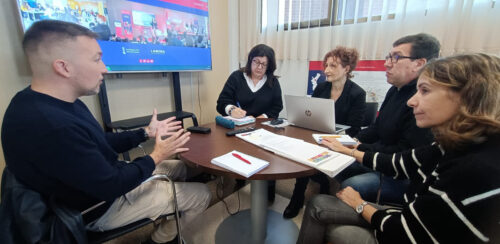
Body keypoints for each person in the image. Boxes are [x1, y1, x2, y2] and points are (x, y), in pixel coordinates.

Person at [0, 20, 211, 244]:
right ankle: (158, 240)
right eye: (96, 59)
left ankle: (165, 208)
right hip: (100, 206)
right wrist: (157, 155)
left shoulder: (44, 101)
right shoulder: (52, 127)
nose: (105, 68)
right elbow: (113, 185)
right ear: (63, 67)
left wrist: (145, 132)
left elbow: (98, 143)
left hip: (103, 182)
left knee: (181, 167)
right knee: (202, 195)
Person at [297, 53, 500, 244]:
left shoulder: (474, 170)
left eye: (425, 91)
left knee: (333, 205)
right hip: (409, 213)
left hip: (402, 230)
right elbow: (401, 161)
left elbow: (403, 232)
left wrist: (360, 204)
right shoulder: (453, 145)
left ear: (469, 97)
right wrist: (348, 149)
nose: (412, 101)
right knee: (324, 194)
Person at [335, 33, 440, 205]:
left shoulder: (423, 103)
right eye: (388, 57)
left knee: (351, 184)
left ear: (419, 63)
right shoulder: (394, 90)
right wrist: (352, 140)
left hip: (401, 173)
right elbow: (377, 128)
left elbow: (403, 152)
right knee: (337, 161)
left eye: (396, 57)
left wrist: (359, 147)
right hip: (380, 156)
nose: (386, 63)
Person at [283, 46, 367, 218]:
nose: (326, 70)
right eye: (326, 65)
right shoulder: (321, 88)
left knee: (307, 154)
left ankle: (297, 197)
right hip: (317, 135)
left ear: (347, 69)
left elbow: (355, 128)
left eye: (333, 66)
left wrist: (333, 137)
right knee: (303, 149)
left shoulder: (357, 93)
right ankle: (310, 188)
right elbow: (311, 114)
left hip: (340, 140)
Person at [216, 44, 283, 201]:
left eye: (264, 64)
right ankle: (239, 181)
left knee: (267, 158)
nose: (259, 67)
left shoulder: (272, 82)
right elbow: (222, 102)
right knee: (240, 156)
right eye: (256, 61)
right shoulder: (237, 77)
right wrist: (232, 109)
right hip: (240, 127)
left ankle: (268, 189)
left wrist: (262, 117)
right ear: (249, 60)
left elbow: (277, 106)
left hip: (263, 129)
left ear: (269, 66)